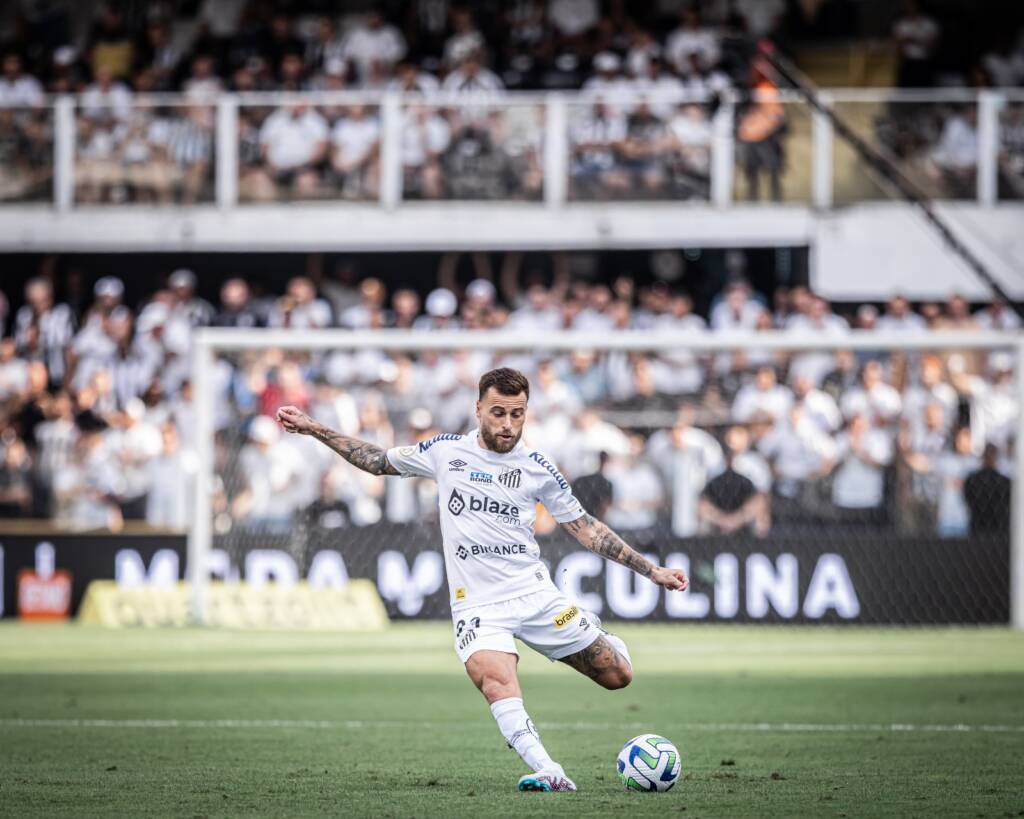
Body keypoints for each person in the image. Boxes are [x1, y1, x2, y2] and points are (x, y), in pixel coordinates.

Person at [277, 367, 687, 793]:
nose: (507, 424)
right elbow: (378, 461)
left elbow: (586, 528)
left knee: (617, 675)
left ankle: (594, 630)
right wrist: (314, 428)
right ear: (477, 410)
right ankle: (549, 769)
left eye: (517, 414)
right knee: (495, 679)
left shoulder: (537, 467)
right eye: (498, 413)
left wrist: (651, 570)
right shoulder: (445, 451)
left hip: (533, 595)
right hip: (476, 604)